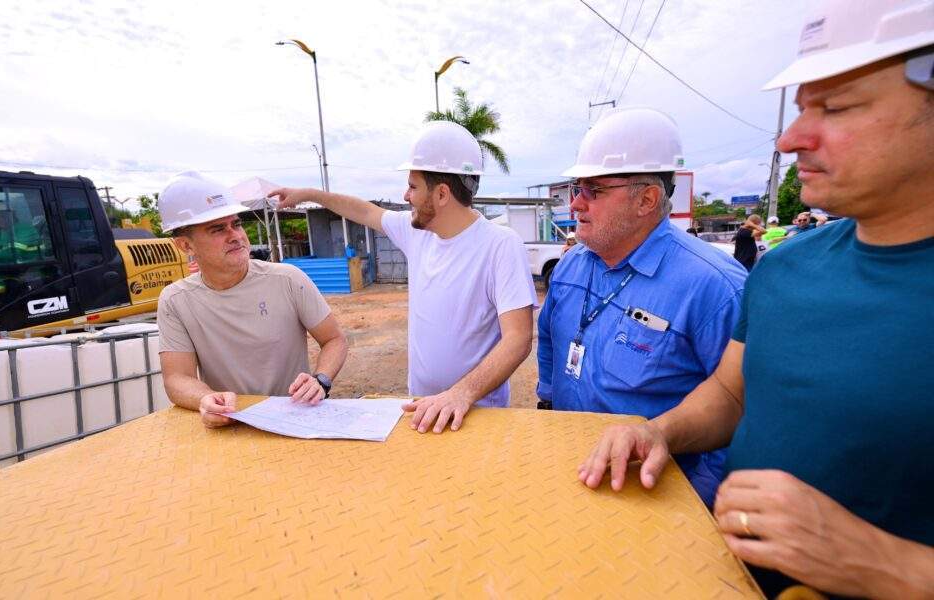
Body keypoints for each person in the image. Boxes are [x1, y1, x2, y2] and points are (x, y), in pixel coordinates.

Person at [577, 2, 934, 596]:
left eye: (837, 106)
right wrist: (660, 432)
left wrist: (890, 564)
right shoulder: (786, 269)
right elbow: (732, 393)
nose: (791, 138)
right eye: (800, 109)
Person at [537, 107, 747, 507]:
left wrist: (696, 505)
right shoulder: (571, 266)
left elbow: (738, 410)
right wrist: (547, 401)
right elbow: (549, 338)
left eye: (592, 191)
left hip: (651, 493)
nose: (576, 205)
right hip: (572, 473)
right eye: (576, 189)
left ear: (646, 200)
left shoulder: (714, 288)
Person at [270, 121, 537, 434]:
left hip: (477, 415)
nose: (406, 195)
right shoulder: (418, 234)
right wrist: (307, 193)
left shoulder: (499, 245)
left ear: (441, 194)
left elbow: (517, 340)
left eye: (413, 186)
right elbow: (365, 211)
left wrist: (460, 394)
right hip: (422, 409)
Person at [156, 172, 348, 428]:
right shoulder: (176, 300)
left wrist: (320, 380)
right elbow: (177, 377)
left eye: (236, 224)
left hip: (295, 419)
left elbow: (334, 339)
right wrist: (206, 399)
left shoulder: (288, 279)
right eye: (217, 229)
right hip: (231, 423)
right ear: (185, 246)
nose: (235, 235)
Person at [0, 200, 46, 265]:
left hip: (30, 267)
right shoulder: (2, 232)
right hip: (10, 266)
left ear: (7, 216)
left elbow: (13, 253)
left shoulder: (24, 229)